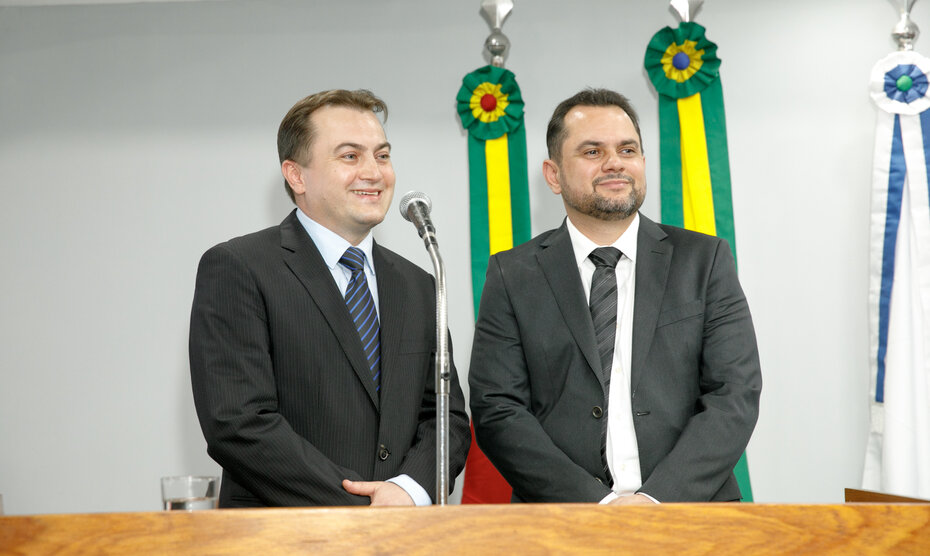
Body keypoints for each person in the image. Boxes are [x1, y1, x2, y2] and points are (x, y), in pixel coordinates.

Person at [469, 88, 761, 504]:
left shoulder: (704, 260)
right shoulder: (513, 274)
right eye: (592, 151)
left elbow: (735, 393)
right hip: (561, 523)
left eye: (628, 149)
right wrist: (596, 507)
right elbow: (498, 408)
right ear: (553, 175)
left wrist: (655, 500)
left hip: (689, 515)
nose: (614, 163)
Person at [190, 89, 470, 507]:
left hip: (401, 536)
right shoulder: (239, 267)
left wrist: (408, 490)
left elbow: (445, 418)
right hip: (284, 536)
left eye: (383, 155)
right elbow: (239, 423)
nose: (374, 172)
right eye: (350, 156)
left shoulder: (418, 284)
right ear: (296, 175)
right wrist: (364, 505)